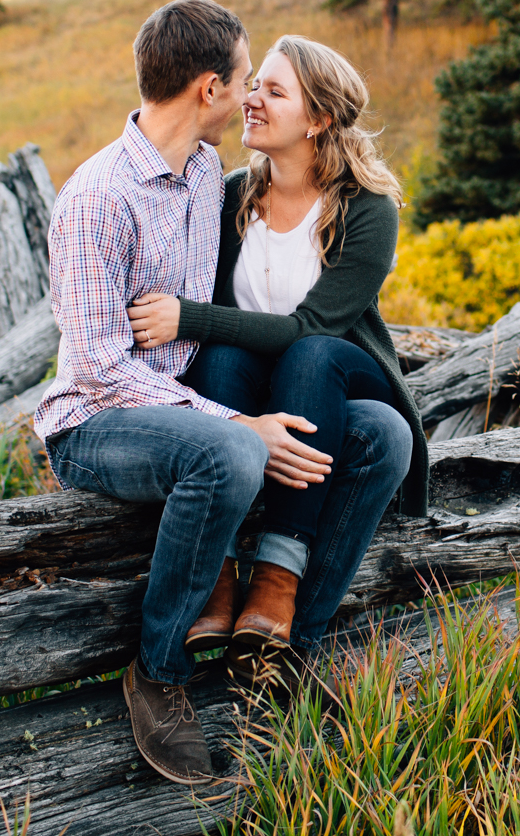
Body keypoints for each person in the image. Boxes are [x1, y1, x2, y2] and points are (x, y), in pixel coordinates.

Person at [34, 0, 370, 787]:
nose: (251, 95)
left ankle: (283, 647)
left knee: (370, 438)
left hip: (179, 405)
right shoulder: (97, 199)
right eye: (247, 80)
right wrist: (239, 424)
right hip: (95, 423)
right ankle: (157, 671)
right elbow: (100, 370)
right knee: (227, 454)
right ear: (210, 89)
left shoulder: (202, 180)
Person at [125, 35, 429, 688]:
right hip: (246, 388)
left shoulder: (367, 209)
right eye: (253, 83)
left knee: (315, 357)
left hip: (338, 375)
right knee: (226, 353)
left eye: (273, 90)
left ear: (318, 119)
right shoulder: (233, 196)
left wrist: (187, 315)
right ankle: (219, 579)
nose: (251, 99)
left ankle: (279, 578)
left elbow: (311, 327)